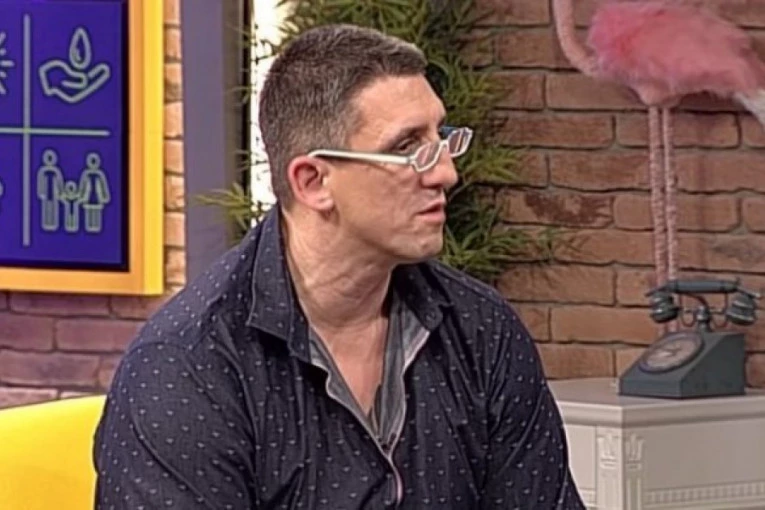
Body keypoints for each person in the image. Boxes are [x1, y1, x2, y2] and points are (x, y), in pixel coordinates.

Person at [93, 23, 585, 509]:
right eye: (408, 148)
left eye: (442, 137)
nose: (445, 172)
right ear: (313, 182)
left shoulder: (481, 330)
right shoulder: (188, 368)